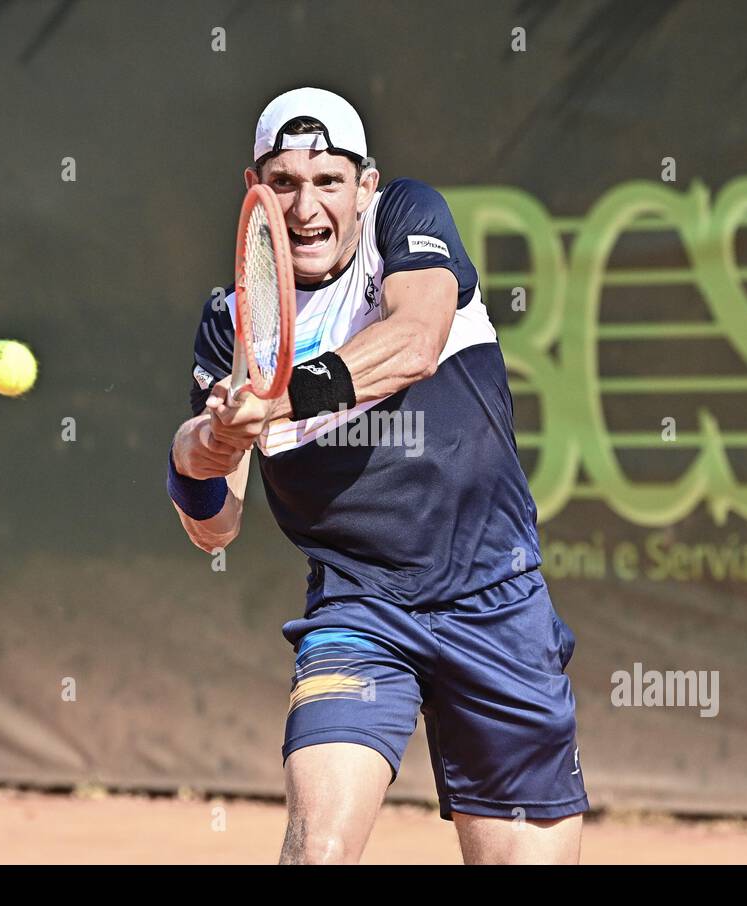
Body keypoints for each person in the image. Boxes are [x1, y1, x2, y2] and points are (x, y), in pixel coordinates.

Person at [167, 87, 587, 864]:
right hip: (359, 612)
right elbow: (213, 523)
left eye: (329, 181)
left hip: (496, 599)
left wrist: (282, 396)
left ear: (365, 186)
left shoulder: (405, 221)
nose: (306, 205)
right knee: (316, 854)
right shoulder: (233, 321)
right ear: (254, 191)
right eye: (284, 183)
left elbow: (416, 341)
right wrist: (208, 439)